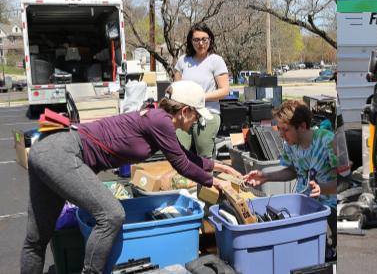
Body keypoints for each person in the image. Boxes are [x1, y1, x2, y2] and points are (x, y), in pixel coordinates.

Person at [21, 81, 240, 274]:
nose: (197, 121)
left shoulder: (157, 117)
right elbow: (181, 165)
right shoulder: (160, 121)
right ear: (184, 111)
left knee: (37, 239)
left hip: (46, 149)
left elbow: (183, 155)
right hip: (62, 153)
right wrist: (215, 181)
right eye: (197, 115)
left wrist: (217, 166)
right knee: (112, 214)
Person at [243, 100, 337, 258]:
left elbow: (343, 181)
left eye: (285, 130)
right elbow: (293, 171)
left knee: (326, 255)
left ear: (302, 126)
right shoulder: (290, 145)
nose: (281, 135)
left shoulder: (328, 141)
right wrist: (266, 177)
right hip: (304, 206)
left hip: (329, 210)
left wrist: (323, 188)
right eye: (279, 129)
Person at [173, 24, 230, 157]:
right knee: (178, 154)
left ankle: (206, 178)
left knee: (204, 156)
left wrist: (199, 97)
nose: (201, 43)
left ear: (210, 40)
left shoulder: (216, 61)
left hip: (207, 114)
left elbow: (224, 90)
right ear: (190, 41)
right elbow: (176, 88)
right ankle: (181, 178)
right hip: (184, 114)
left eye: (204, 39)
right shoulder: (183, 61)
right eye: (196, 40)